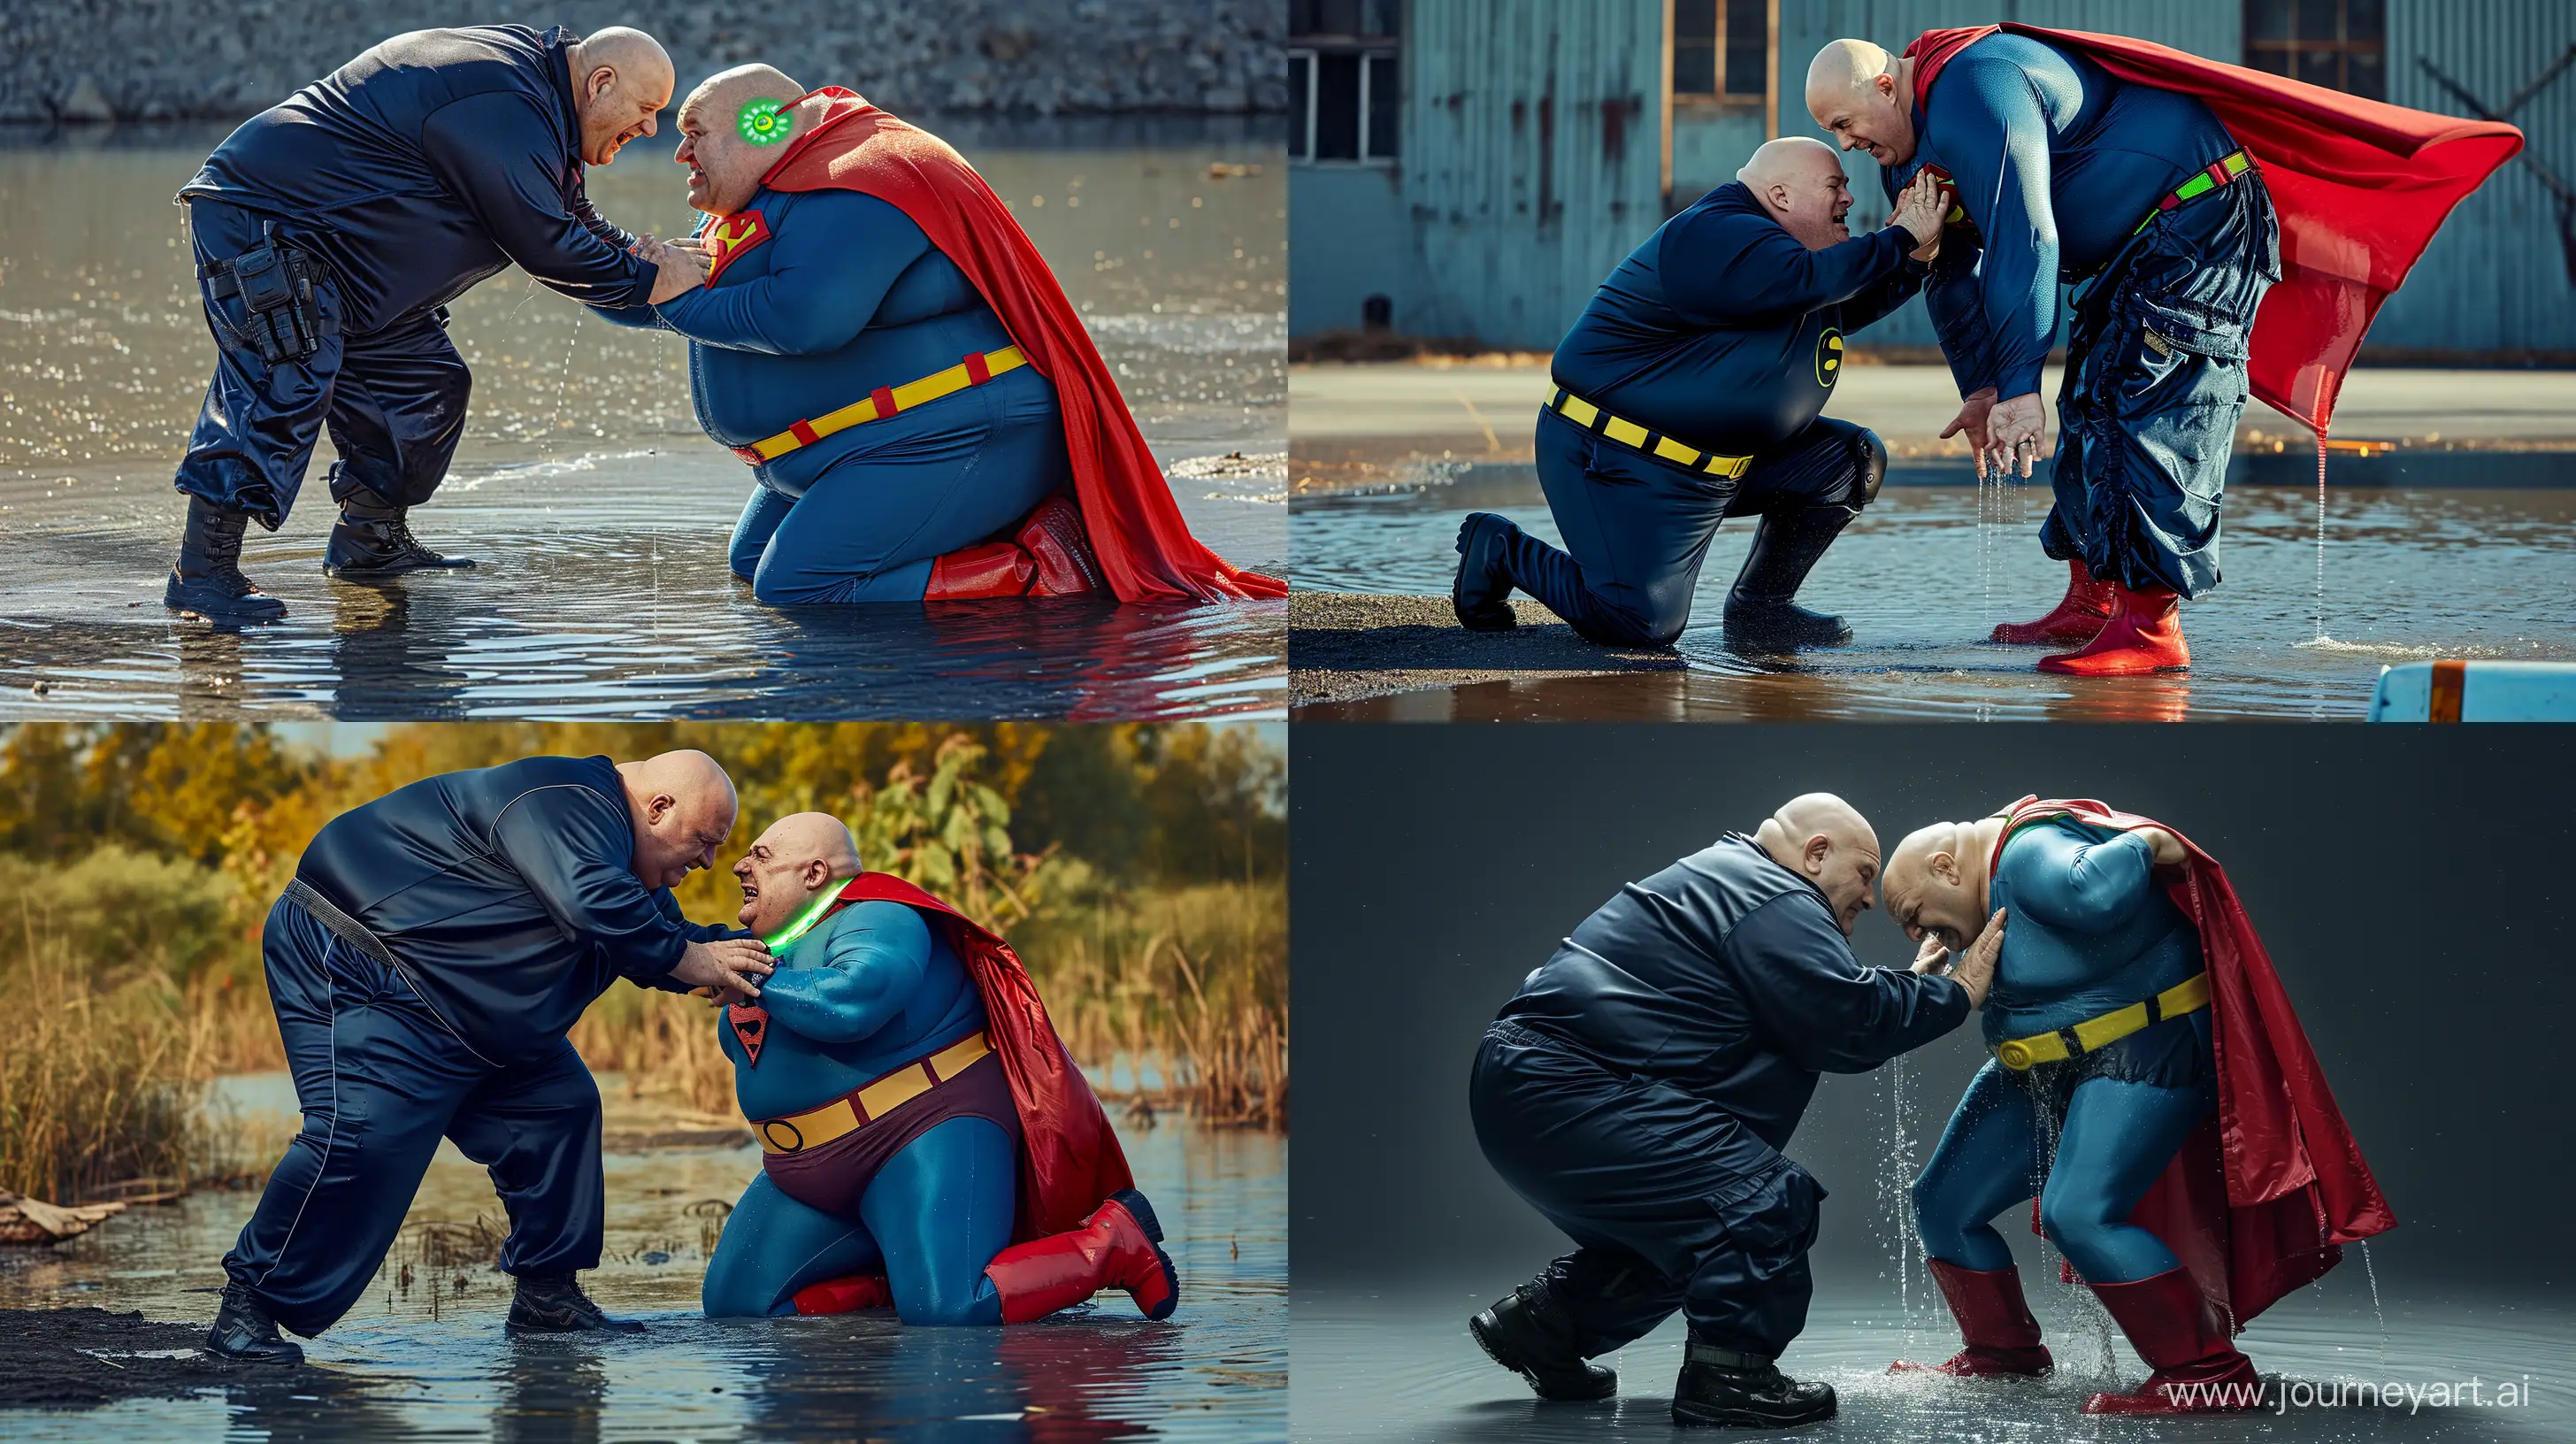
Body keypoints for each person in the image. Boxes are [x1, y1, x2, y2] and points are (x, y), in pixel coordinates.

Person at [590, 65, 1283, 605]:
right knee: (751, 564)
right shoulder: (768, 192)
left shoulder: (861, 181)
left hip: (954, 435)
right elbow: (676, 289)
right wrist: (564, 254)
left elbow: (806, 320)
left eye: (695, 131)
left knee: (796, 586)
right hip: (855, 445)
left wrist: (678, 301)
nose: (679, 152)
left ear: (768, 125)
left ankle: (1045, 569)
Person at [205, 750, 775, 1363]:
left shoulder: (620, 863)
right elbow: (596, 907)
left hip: (470, 1012)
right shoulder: (564, 798)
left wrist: (763, 954)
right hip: (360, 958)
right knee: (363, 1135)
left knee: (560, 1107)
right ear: (659, 809)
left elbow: (657, 936)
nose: (712, 861)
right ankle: (248, 1309)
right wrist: (691, 961)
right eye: (705, 841)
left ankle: (546, 1299)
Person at [1466, 795, 1997, 1427]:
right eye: (1862, 878)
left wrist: (1912, 990)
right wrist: (1956, 993)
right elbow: (1842, 1019)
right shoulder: (1774, 893)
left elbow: (1817, 1006)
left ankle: (1541, 1328)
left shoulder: (1732, 883)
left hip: (1531, 1088)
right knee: (1761, 1203)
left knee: (1694, 1236)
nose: (1863, 908)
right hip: (1571, 1086)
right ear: (1816, 852)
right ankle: (1728, 1379)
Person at [164, 25, 707, 625]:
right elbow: (546, 244)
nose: (653, 129)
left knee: (425, 387)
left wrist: (641, 257)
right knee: (282, 376)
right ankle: (203, 575)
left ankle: (369, 544)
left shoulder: (539, 97)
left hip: (350, 255)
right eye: (648, 109)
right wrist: (652, 279)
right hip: (269, 219)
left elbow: (566, 213)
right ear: (601, 83)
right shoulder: (503, 101)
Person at [1881, 798, 2394, 1414]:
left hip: (2142, 1055)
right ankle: (2003, 1350)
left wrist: (2147, 842)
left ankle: (2207, 1371)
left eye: (1914, 914)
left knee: (2081, 1212)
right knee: (1943, 1203)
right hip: (2040, 1069)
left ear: (1947, 868)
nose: (1915, 934)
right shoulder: (1989, 889)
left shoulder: (2024, 857)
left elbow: (2094, 890)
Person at [1449, 139, 1946, 652]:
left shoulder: (1781, 263)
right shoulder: (1717, 232)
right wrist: (1901, 237)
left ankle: (1762, 610)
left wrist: (1916, 259)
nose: (1849, 199)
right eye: (1834, 186)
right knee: (1640, 625)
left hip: (1717, 469)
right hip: (1617, 461)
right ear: (1779, 195)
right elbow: (1812, 281)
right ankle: (1501, 550)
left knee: (1848, 461)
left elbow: (1843, 303)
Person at [699, 812, 1177, 1325]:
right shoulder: (774, 949)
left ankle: (1111, 1246)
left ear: (814, 874)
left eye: (761, 857)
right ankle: (897, 1281)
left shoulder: (878, 914)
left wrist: (754, 980)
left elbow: (856, 1000)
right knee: (738, 1306)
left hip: (917, 1138)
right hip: (804, 1171)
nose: (741, 867)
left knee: (949, 1308)